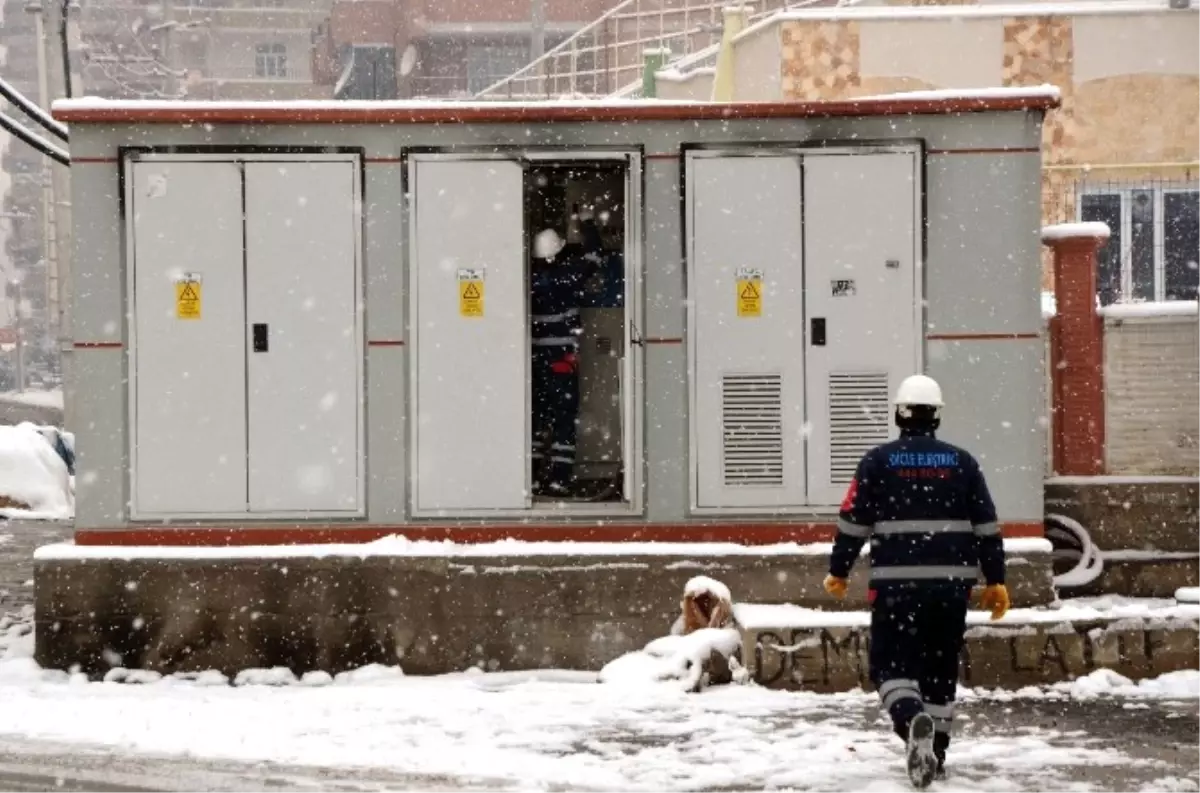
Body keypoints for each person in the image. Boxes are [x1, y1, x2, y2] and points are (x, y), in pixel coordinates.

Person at [822, 374, 1011, 789]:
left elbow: (853, 523)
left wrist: (839, 569)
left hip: (896, 587)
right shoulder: (963, 462)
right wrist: (996, 578)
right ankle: (935, 754)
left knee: (890, 665)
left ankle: (911, 721)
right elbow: (987, 527)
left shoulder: (877, 461)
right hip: (951, 587)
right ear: (937, 416)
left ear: (898, 414)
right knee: (940, 667)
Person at [529, 220, 604, 497]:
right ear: (556, 251)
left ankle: (533, 479)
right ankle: (560, 479)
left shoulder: (528, 278)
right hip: (563, 359)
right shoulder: (567, 275)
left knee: (537, 418)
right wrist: (587, 226)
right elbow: (594, 259)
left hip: (536, 359)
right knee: (564, 418)